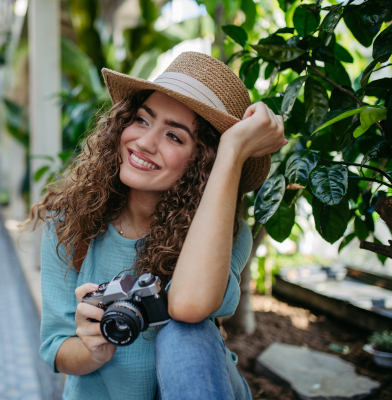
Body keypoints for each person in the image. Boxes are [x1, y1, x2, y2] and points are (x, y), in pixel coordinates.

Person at [28, 52, 286, 400]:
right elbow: (56, 348)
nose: (145, 143)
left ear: (204, 161)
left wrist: (233, 150)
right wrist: (92, 348)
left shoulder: (227, 232)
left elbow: (188, 307)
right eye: (142, 119)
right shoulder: (70, 221)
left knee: (184, 331)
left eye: (175, 137)